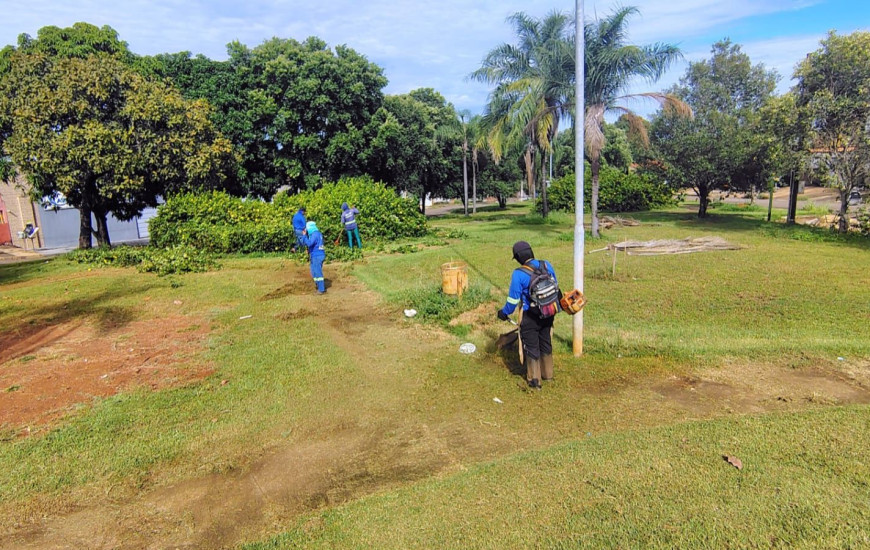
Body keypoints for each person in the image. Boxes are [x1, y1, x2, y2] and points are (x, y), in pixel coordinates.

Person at [496, 241, 557, 389]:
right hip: (548, 312)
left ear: (517, 257)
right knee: (545, 341)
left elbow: (512, 301)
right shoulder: (546, 265)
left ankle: (535, 381)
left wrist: (503, 313)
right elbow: (555, 285)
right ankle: (548, 374)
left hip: (530, 315)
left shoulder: (518, 274)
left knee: (531, 347)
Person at [301, 220, 327, 294]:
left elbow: (309, 243)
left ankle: (321, 289)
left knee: (317, 272)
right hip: (318, 254)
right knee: (313, 271)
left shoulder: (314, 235)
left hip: (317, 256)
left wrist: (304, 236)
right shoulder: (318, 234)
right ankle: (318, 284)